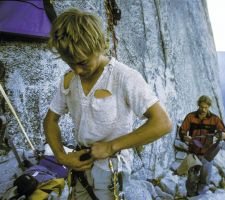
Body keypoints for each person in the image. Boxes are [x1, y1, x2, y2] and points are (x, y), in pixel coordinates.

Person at [43, 8, 172, 199]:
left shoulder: (123, 77)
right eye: (71, 64)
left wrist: (111, 146)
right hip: (81, 163)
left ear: (100, 46)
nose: (78, 70)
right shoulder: (68, 80)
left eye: (83, 62)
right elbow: (50, 120)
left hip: (112, 167)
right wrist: (62, 157)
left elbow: (162, 123)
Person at [178, 95, 225, 197]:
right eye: (201, 107)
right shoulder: (190, 117)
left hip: (208, 154)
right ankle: (190, 196)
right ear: (198, 105)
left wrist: (224, 135)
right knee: (191, 178)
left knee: (205, 178)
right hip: (193, 152)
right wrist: (185, 137)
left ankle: (200, 196)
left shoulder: (214, 119)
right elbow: (182, 131)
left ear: (209, 107)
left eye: (206, 107)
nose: (203, 109)